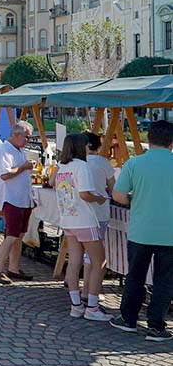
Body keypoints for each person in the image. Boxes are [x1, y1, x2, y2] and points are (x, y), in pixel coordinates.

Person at [110, 120, 173, 341]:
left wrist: (133, 199)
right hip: (170, 233)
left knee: (135, 276)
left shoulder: (134, 163)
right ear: (171, 143)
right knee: (164, 280)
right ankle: (156, 326)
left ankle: (128, 319)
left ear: (149, 139)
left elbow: (118, 195)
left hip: (141, 230)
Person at [53, 133, 112, 322]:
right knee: (99, 262)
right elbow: (85, 194)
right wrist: (99, 198)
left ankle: (76, 305)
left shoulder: (62, 166)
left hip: (68, 219)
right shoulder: (81, 166)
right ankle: (92, 306)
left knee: (74, 262)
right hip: (86, 219)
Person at [0, 121, 36, 284]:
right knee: (11, 236)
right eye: (27, 137)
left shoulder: (19, 150)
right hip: (11, 198)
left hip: (23, 199)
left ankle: (14, 268)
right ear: (16, 135)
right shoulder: (3, 150)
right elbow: (5, 174)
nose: (28, 140)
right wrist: (24, 167)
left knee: (19, 236)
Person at [84, 132, 115, 294]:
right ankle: (89, 292)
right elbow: (113, 188)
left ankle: (79, 290)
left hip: (78, 214)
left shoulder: (73, 162)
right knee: (95, 257)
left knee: (79, 255)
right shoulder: (102, 162)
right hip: (99, 212)